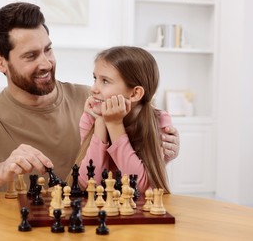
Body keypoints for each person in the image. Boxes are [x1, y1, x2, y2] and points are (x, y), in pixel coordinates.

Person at [0, 2, 180, 197]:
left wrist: (161, 152)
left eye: (48, 50)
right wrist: (2, 169)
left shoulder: (91, 100)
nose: (46, 63)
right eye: (31, 56)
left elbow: (133, 171)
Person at [73, 46, 177, 194]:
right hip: (101, 208)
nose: (93, 89)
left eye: (105, 81)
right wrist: (101, 122)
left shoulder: (159, 120)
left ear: (135, 94)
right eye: (95, 78)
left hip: (140, 209)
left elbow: (138, 186)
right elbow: (88, 183)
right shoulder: (91, 117)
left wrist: (115, 125)